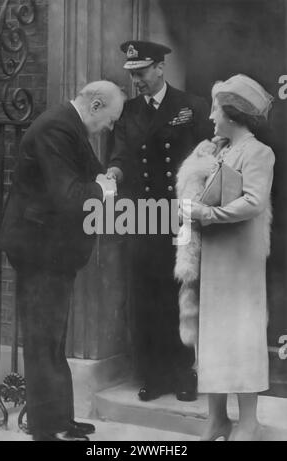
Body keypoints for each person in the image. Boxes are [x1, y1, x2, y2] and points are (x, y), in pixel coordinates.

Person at [0, 81, 125, 441]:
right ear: (96, 104)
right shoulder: (57, 127)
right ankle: (46, 429)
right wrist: (103, 188)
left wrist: (107, 179)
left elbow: (94, 174)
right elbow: (70, 196)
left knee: (53, 340)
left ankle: (60, 422)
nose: (110, 127)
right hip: (39, 252)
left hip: (51, 252)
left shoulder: (70, 126)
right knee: (43, 341)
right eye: (111, 119)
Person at [108, 40, 212, 402]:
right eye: (132, 74)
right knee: (145, 294)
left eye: (141, 72)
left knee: (181, 292)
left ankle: (184, 373)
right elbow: (118, 155)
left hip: (181, 214)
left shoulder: (192, 106)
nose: (136, 80)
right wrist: (112, 177)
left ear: (160, 68)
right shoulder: (127, 111)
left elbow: (208, 159)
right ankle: (152, 374)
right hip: (141, 216)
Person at [179, 74, 275, 441]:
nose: (211, 117)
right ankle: (217, 418)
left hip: (239, 262)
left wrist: (205, 214)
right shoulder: (216, 150)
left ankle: (248, 422)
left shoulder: (257, 152)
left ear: (233, 115)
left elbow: (253, 202)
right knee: (213, 338)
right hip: (213, 258)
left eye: (216, 109)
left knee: (242, 337)